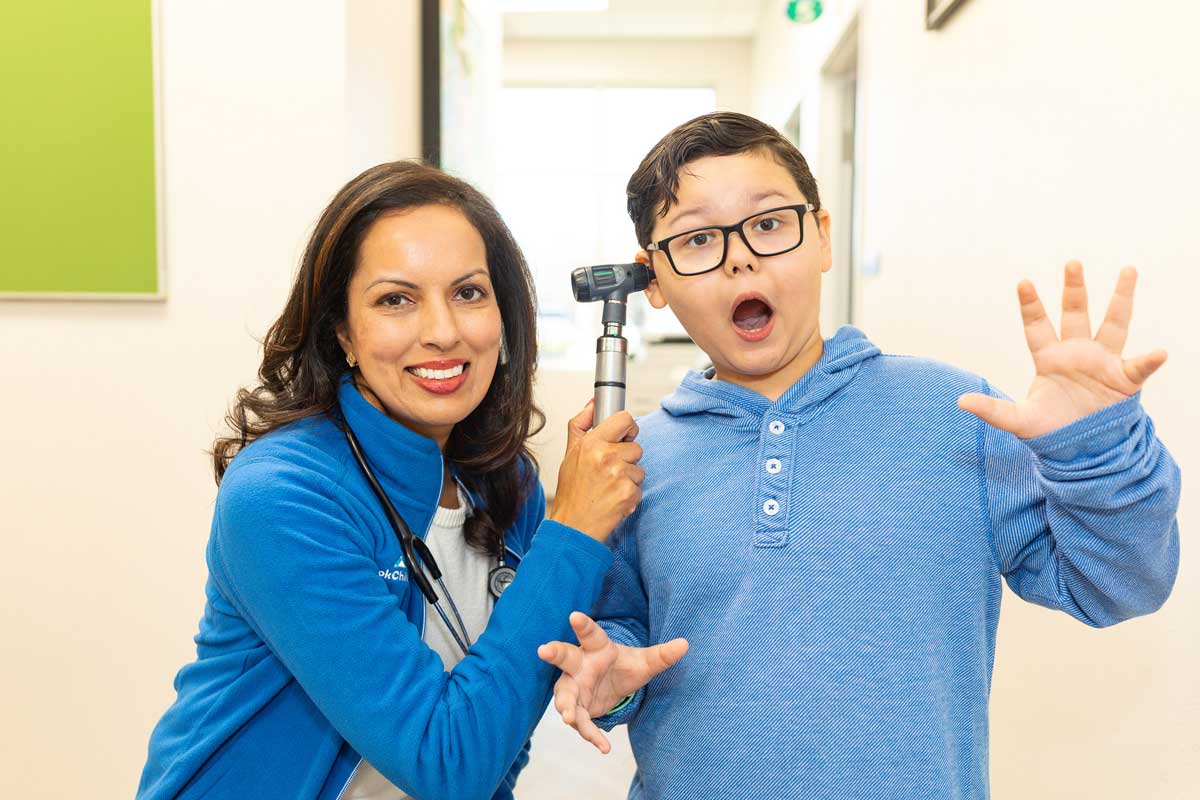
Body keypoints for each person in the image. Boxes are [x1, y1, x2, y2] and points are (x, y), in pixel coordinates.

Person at [537, 112, 1181, 798]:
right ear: (654, 281)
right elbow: (622, 635)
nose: (739, 258)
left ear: (822, 236)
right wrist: (612, 680)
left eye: (769, 223)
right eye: (697, 240)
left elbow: (1116, 586)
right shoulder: (639, 460)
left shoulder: (954, 414)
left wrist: (1094, 452)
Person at [135, 160, 681, 800]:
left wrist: (608, 685)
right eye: (396, 300)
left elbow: (505, 721)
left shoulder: (509, 486)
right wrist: (573, 530)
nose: (443, 332)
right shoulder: (281, 496)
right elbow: (448, 764)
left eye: (469, 293)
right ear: (342, 330)